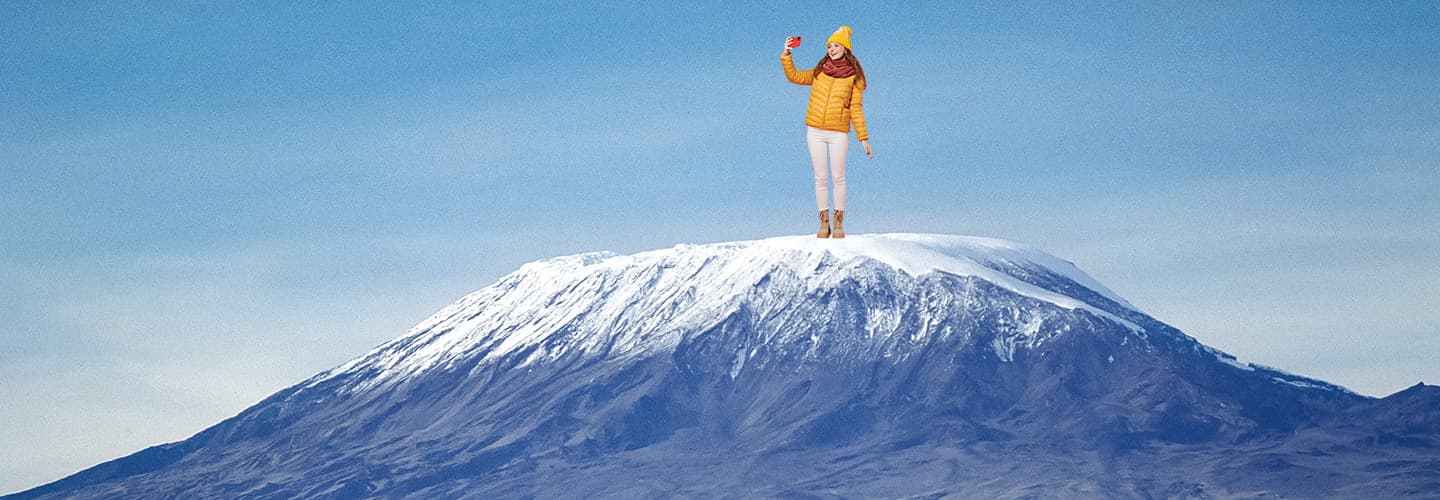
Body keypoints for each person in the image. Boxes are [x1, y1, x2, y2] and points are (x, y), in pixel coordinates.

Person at [781, 25, 872, 239]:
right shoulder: (819, 72)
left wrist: (863, 138)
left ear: (846, 48)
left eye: (836, 45)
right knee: (820, 177)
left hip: (838, 132)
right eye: (829, 46)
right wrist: (787, 54)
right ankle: (824, 222)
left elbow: (856, 109)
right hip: (815, 130)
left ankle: (838, 222)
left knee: (838, 177)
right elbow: (794, 76)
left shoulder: (854, 78)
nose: (832, 49)